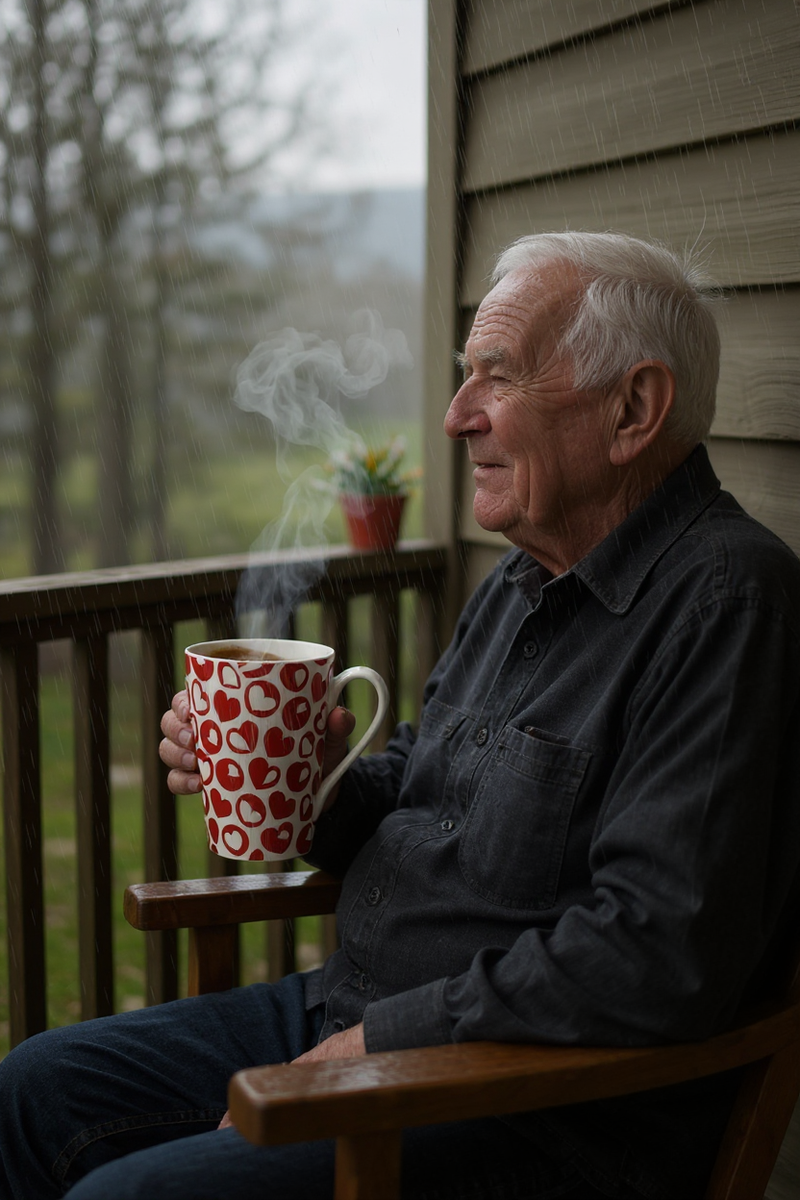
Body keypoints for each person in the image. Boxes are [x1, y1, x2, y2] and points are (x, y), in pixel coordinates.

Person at [2, 231, 800, 1200]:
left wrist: (385, 1042)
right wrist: (307, 782)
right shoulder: (519, 582)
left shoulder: (726, 601)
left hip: (523, 1108)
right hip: (359, 1012)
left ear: (631, 408)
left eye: (494, 379)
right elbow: (423, 786)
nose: (455, 415)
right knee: (28, 1090)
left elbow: (655, 947)